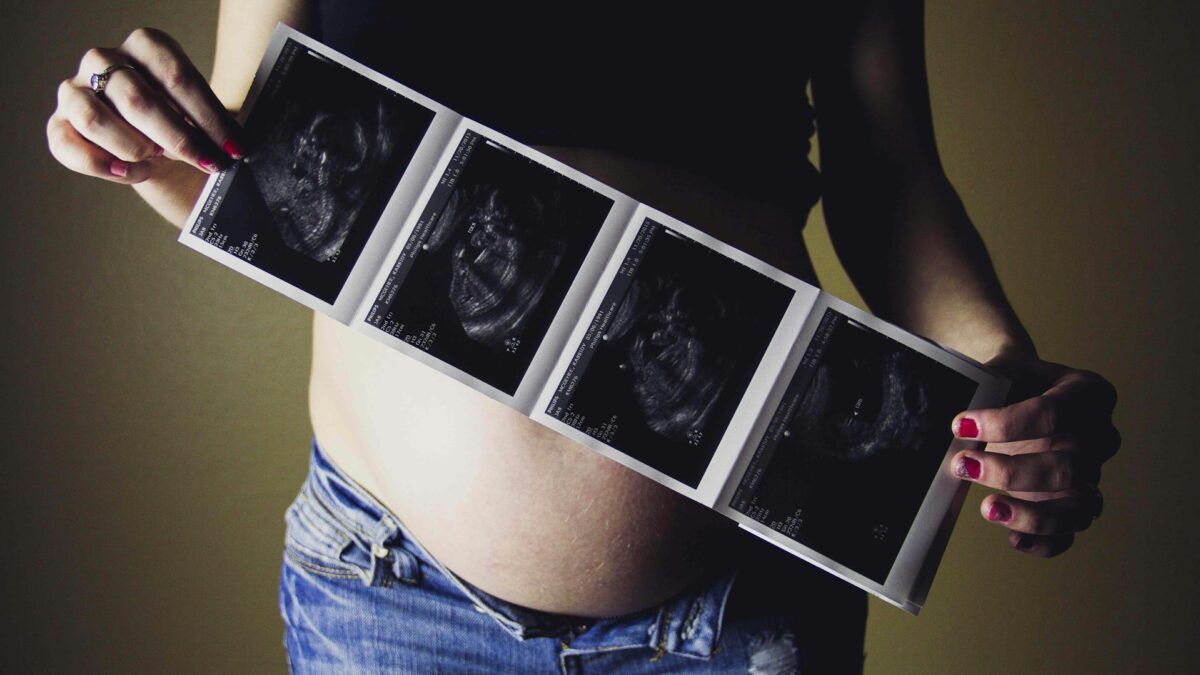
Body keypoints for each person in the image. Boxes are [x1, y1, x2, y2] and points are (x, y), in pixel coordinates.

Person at [45, 1, 1120, 672]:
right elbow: (238, 168)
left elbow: (888, 172)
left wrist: (999, 365)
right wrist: (126, 124)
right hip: (389, 600)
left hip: (737, 612)